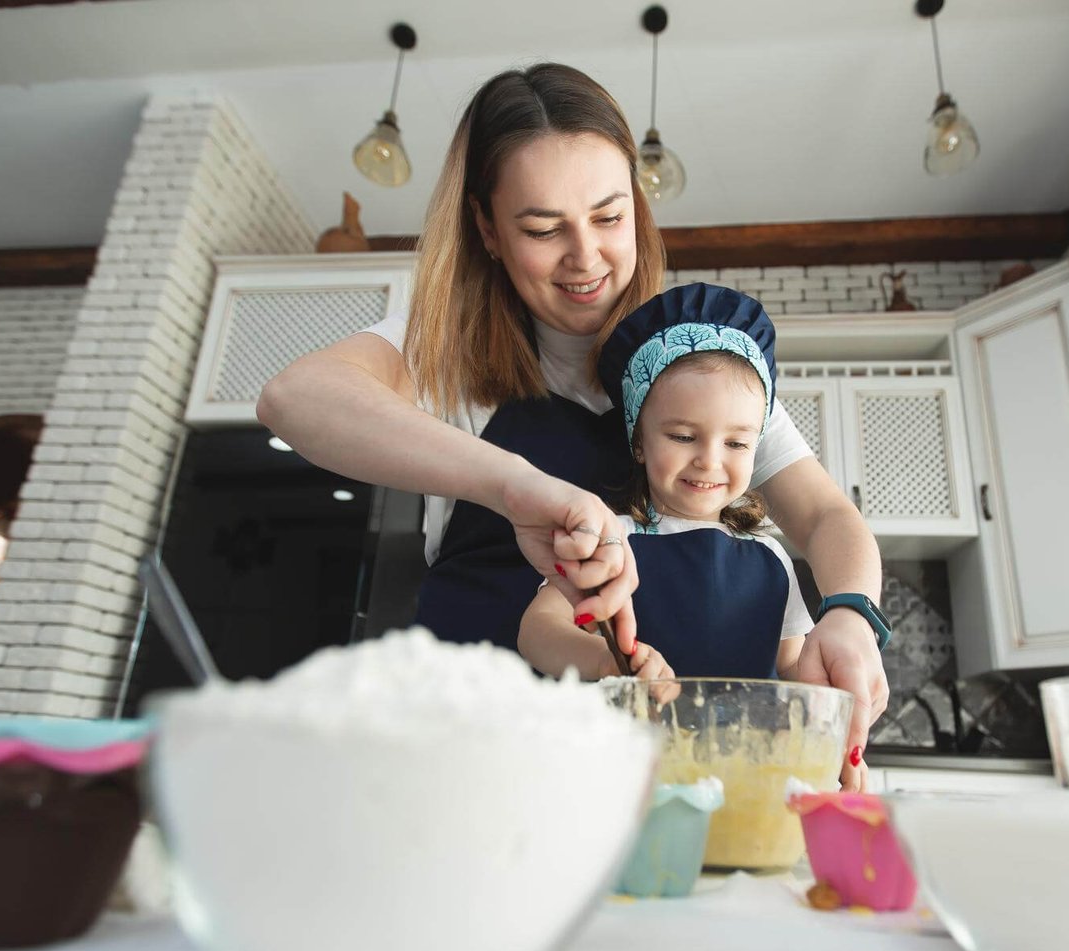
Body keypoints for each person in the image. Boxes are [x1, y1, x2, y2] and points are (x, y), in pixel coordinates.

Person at [256, 63, 888, 788]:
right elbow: (293, 397)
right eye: (542, 228)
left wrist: (849, 613)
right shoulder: (448, 350)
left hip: (626, 778)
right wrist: (518, 488)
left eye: (609, 216)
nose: (585, 257)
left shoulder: (706, 369)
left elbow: (828, 516)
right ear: (488, 231)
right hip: (465, 757)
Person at [518, 284, 811, 683]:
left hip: (745, 745)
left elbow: (792, 666)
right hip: (630, 743)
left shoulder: (773, 560)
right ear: (640, 442)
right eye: (683, 437)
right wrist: (607, 659)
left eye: (736, 443)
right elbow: (538, 631)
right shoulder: (612, 541)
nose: (709, 460)